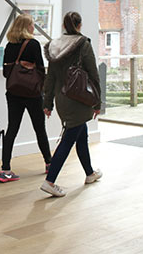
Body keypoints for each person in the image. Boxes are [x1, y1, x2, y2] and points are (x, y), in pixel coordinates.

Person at [40, 11, 102, 197]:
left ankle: (90, 173)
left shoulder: (54, 46)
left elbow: (50, 78)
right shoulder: (83, 44)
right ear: (79, 25)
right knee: (68, 140)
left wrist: (48, 103)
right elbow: (93, 74)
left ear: (63, 26)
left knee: (81, 134)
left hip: (62, 99)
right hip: (79, 98)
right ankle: (49, 181)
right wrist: (98, 102)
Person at [0, 14, 52, 183]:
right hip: (33, 93)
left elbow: (6, 72)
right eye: (32, 25)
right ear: (26, 27)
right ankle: (49, 164)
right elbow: (41, 70)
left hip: (13, 92)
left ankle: (5, 170)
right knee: (39, 129)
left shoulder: (9, 46)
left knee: (12, 129)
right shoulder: (34, 44)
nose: (33, 28)